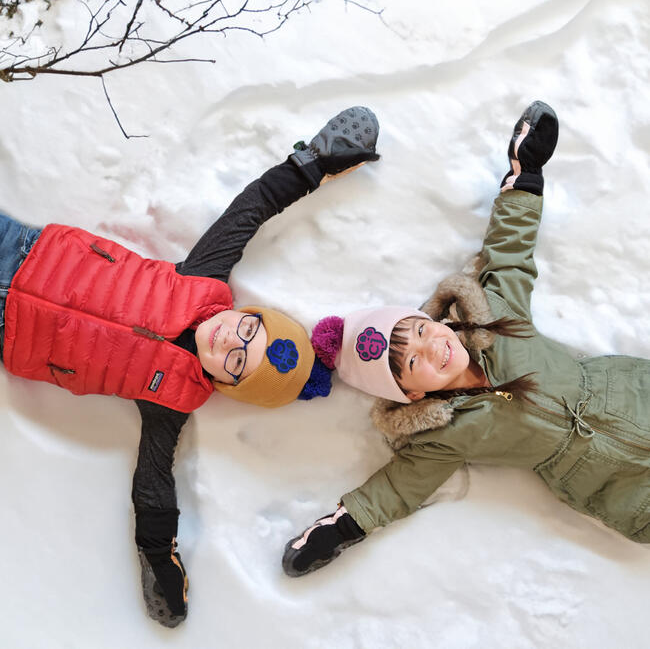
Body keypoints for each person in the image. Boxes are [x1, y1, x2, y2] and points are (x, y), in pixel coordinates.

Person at [0, 106, 380, 625]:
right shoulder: (203, 281)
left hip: (9, 333)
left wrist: (159, 558)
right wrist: (314, 163)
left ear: (228, 385)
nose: (230, 338)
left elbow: (153, 481)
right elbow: (253, 206)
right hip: (21, 251)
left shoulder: (171, 400)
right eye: (248, 327)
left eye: (237, 361)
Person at [282, 101, 650, 579]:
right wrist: (342, 527)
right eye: (414, 363)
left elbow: (510, 253)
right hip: (605, 480)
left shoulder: (496, 318)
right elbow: (398, 489)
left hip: (628, 395)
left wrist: (525, 174)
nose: (431, 347)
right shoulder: (438, 438)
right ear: (412, 395)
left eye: (419, 330)